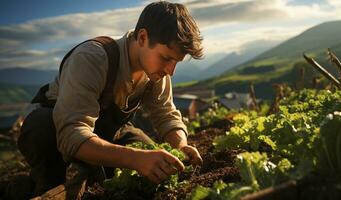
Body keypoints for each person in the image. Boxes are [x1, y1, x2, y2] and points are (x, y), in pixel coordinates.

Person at [16, 1, 204, 198]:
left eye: (176, 62)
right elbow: (72, 134)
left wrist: (181, 146)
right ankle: (37, 185)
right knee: (41, 129)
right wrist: (135, 159)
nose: (170, 71)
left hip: (109, 131)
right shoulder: (92, 58)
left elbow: (166, 115)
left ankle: (94, 172)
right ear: (142, 37)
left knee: (154, 165)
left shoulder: (156, 71)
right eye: (166, 58)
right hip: (59, 131)